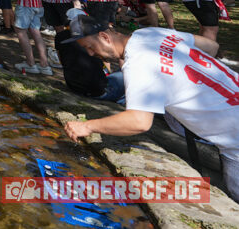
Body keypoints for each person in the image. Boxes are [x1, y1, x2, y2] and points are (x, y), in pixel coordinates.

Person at [63, 16, 239, 202]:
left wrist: (87, 127)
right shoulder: (149, 33)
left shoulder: (139, 64)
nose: (90, 54)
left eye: (90, 47)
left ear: (104, 37)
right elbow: (211, 46)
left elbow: (139, 122)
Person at [54, 8, 124, 103]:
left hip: (73, 86)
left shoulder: (60, 37)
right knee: (128, 75)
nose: (90, 52)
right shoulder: (93, 39)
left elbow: (61, 60)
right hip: (98, 91)